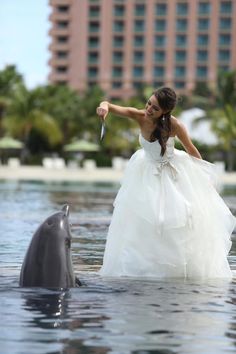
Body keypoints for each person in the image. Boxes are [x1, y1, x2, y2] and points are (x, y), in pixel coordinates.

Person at [96, 87, 236, 279]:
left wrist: (204, 177)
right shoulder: (139, 116)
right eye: (149, 103)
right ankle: (143, 266)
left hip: (173, 172)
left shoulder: (174, 125)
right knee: (142, 218)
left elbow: (191, 149)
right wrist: (103, 107)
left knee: (176, 218)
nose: (149, 109)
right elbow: (110, 105)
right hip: (145, 172)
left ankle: (176, 267)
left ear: (165, 111)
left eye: (155, 107)